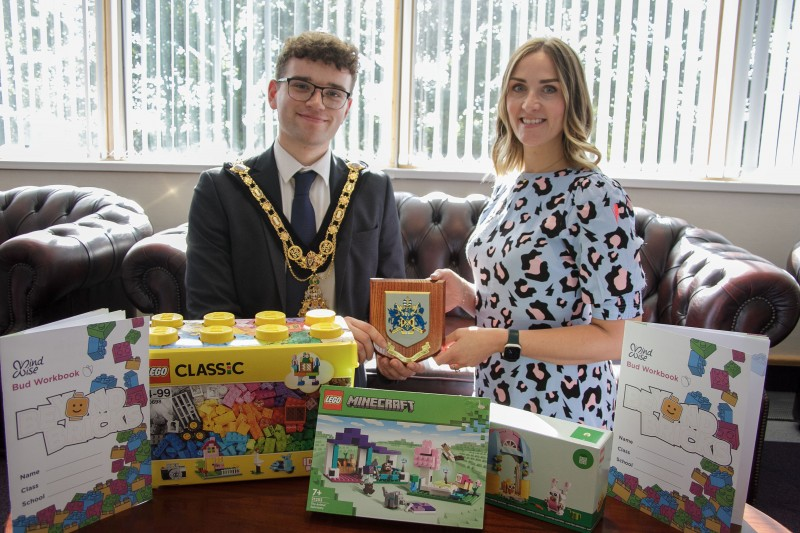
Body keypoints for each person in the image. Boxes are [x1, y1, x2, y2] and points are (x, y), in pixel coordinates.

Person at [432, 37, 646, 429]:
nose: (529, 104)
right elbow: (532, 301)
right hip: (497, 396)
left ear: (573, 101)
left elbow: (618, 337)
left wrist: (499, 341)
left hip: (566, 411)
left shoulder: (595, 194)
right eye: (518, 88)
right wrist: (467, 293)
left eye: (548, 89)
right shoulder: (508, 186)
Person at [185, 31, 421, 386]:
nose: (317, 103)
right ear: (273, 93)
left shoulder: (373, 188)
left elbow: (391, 298)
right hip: (253, 387)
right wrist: (319, 332)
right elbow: (208, 315)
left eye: (333, 93)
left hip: (347, 387)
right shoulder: (221, 190)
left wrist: (396, 353)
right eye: (301, 86)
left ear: (347, 106)